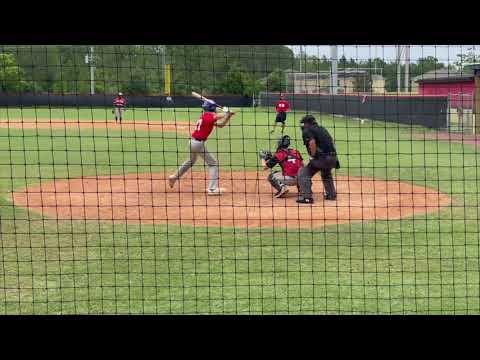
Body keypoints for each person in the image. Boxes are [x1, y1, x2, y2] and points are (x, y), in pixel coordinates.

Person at [168, 100, 235, 195]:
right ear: (213, 108)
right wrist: (227, 111)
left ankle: (174, 177)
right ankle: (212, 189)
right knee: (213, 163)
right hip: (198, 144)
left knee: (190, 161)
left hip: (192, 142)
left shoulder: (204, 116)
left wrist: (228, 115)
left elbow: (220, 125)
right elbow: (218, 116)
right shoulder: (209, 116)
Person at [296, 114, 340, 204]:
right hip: (333, 158)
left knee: (303, 173)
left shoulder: (307, 130)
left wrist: (312, 156)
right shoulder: (322, 129)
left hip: (322, 159)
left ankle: (306, 197)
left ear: (307, 124)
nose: (303, 126)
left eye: (303, 124)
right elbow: (332, 142)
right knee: (326, 173)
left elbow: (312, 143)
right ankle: (331, 195)